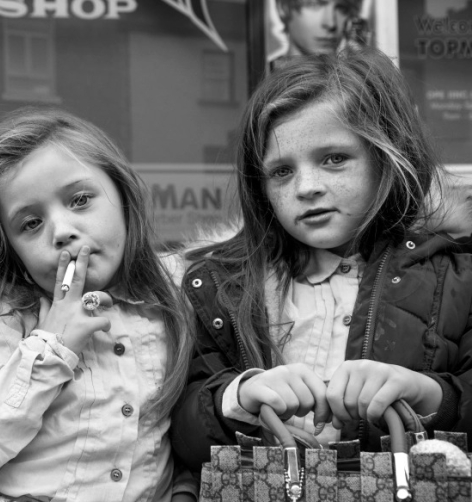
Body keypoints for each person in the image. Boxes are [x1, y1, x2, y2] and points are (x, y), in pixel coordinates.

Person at [171, 48, 472, 474]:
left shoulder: (456, 276)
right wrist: (237, 398)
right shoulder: (220, 287)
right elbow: (179, 437)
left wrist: (426, 394)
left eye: (334, 159)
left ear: (386, 157)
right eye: (281, 172)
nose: (307, 187)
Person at [0, 108, 199, 502]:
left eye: (80, 200)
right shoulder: (0, 318)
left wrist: (184, 496)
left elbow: (178, 426)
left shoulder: (171, 306)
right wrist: (47, 348)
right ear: (12, 249)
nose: (62, 232)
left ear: (124, 196)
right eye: (30, 224)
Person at [269, 0, 364, 69]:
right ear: (284, 8)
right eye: (315, 5)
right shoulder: (262, 75)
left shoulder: (352, 78)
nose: (331, 23)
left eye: (342, 8)